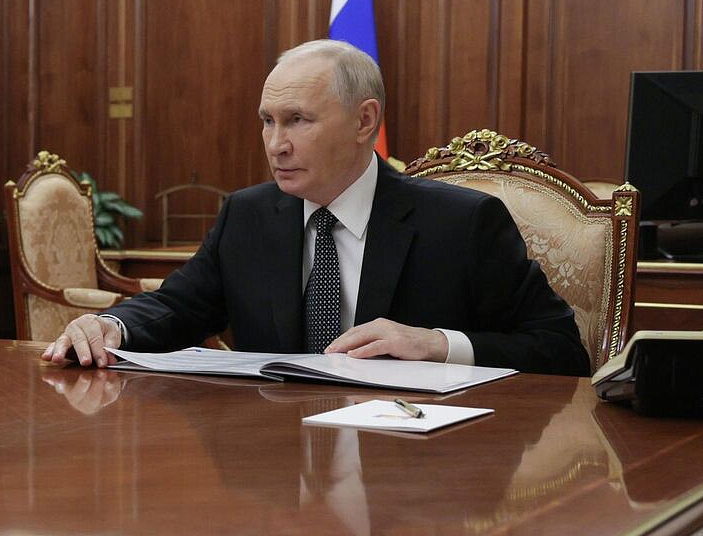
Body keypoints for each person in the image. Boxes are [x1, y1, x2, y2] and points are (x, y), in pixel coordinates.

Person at [41, 39, 588, 376]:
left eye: (297, 120)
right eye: (267, 121)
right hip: (277, 472)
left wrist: (438, 344)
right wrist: (110, 326)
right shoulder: (248, 216)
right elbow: (177, 306)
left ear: (364, 121)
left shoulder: (462, 223)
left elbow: (561, 350)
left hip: (415, 480)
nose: (275, 144)